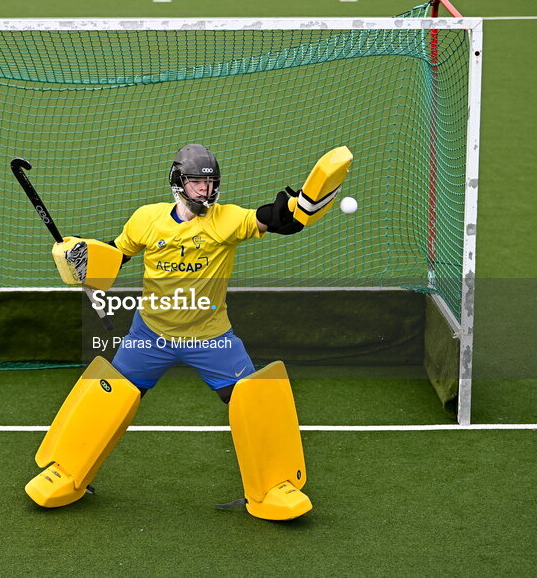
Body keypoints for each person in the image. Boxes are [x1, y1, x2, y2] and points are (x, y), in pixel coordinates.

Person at [26, 143, 325, 520]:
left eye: (211, 183)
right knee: (108, 397)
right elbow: (118, 254)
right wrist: (82, 256)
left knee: (254, 400)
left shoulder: (226, 220)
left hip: (211, 337)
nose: (206, 190)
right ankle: (66, 473)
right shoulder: (146, 220)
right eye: (198, 183)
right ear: (178, 182)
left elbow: (274, 219)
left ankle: (272, 489)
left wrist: (302, 205)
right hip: (150, 334)